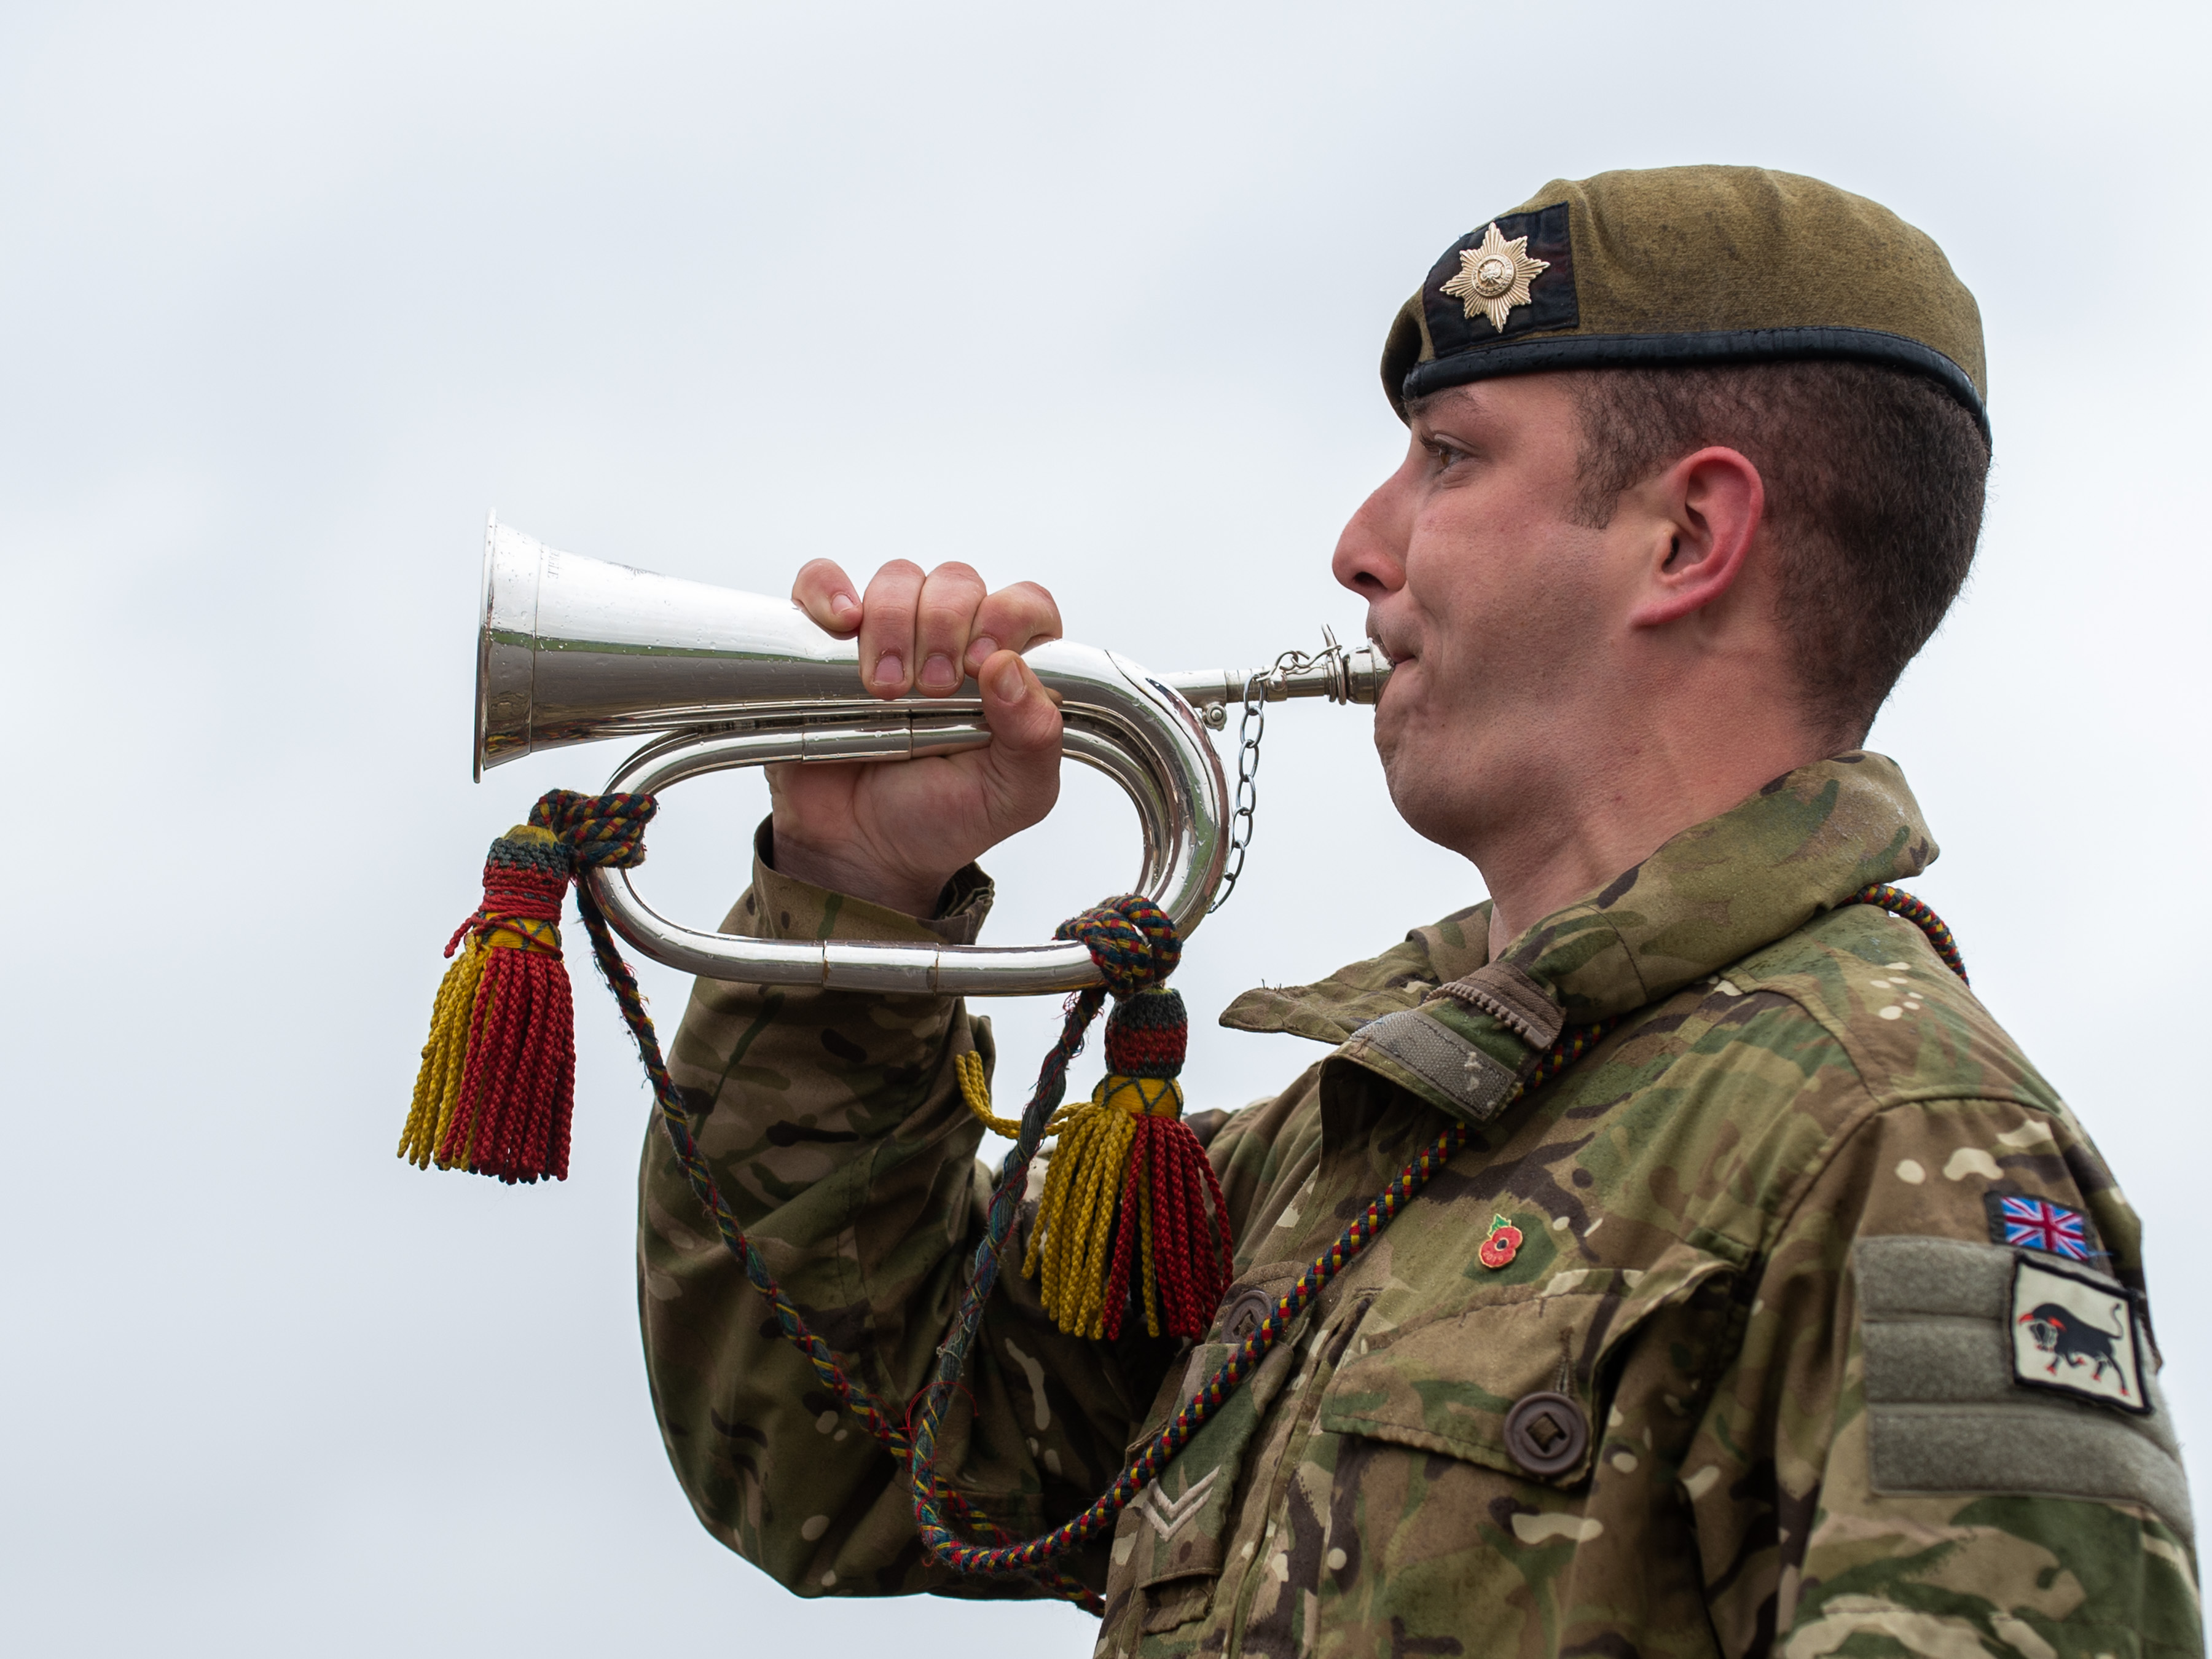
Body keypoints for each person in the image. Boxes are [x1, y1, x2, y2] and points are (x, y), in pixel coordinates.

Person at [634, 167, 2200, 1657]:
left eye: (1447, 458)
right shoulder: (1355, 1151)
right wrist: (853, 895)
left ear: (1688, 538)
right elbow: (837, 1449)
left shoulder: (1900, 1150)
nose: (1360, 547)